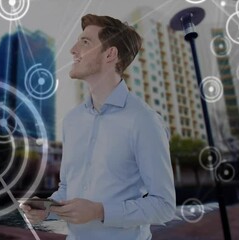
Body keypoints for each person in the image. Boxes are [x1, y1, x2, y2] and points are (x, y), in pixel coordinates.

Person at [21, 14, 176, 240]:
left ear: (110, 54)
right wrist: (47, 211)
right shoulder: (72, 121)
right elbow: (67, 189)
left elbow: (164, 206)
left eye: (85, 42)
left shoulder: (144, 120)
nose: (73, 50)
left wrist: (100, 211)